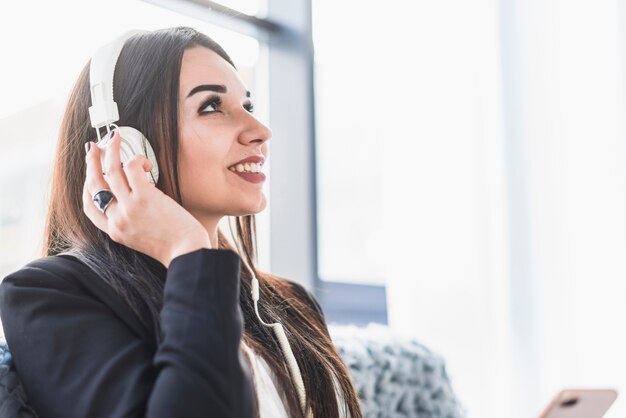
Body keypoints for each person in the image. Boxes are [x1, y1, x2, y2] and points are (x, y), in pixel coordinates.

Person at [0, 27, 362, 418]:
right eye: (211, 106)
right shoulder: (49, 293)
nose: (260, 132)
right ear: (125, 145)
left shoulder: (290, 302)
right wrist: (187, 250)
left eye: (249, 107)